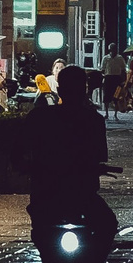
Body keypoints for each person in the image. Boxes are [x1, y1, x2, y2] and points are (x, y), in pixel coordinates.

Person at [25, 64, 119, 246]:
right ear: (84, 90)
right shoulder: (93, 120)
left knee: (106, 224)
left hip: (55, 193)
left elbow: (21, 150)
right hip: (73, 193)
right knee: (107, 225)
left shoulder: (39, 118)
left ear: (59, 90)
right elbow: (100, 156)